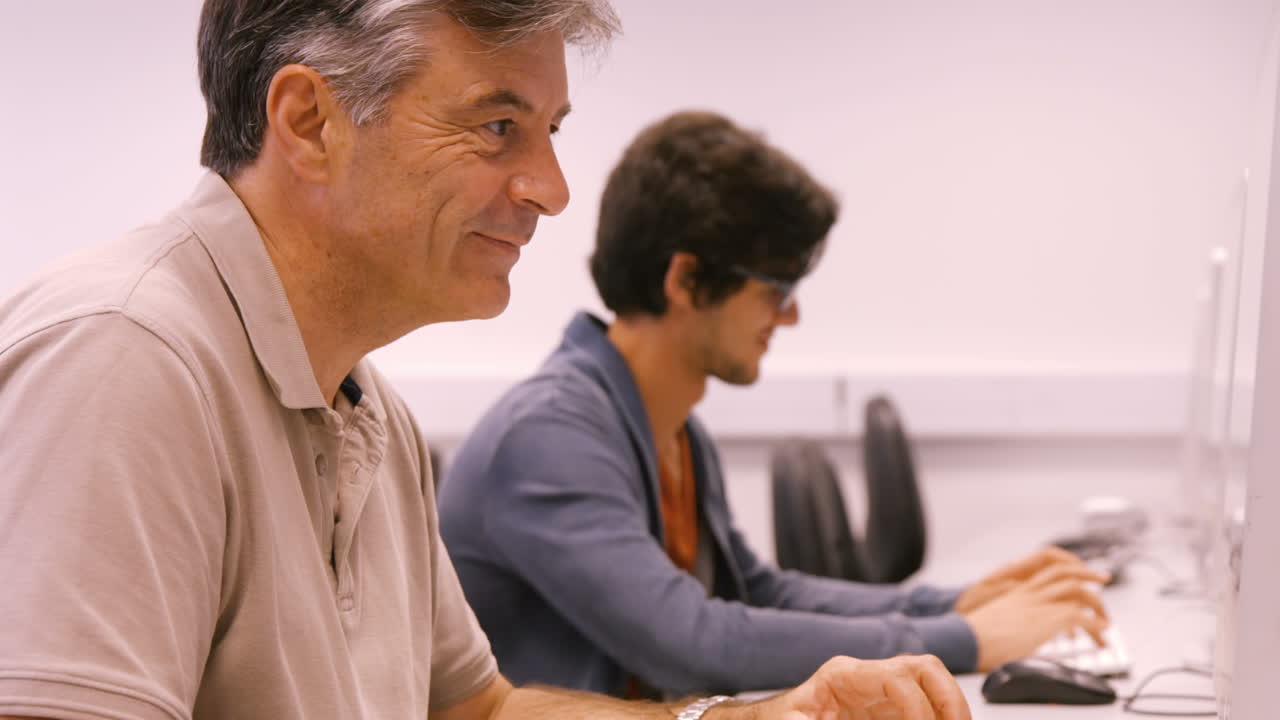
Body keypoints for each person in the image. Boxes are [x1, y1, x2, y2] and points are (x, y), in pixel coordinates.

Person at [0, 2, 972, 720]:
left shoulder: (368, 406)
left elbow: (479, 712)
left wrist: (755, 717)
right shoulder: (125, 360)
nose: (549, 190)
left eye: (548, 135)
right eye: (496, 126)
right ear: (308, 124)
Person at [438, 110, 1111, 699]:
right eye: (774, 291)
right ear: (686, 279)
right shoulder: (548, 436)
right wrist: (963, 639)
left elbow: (755, 591)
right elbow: (690, 641)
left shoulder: (673, 430)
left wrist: (959, 601)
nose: (788, 318)